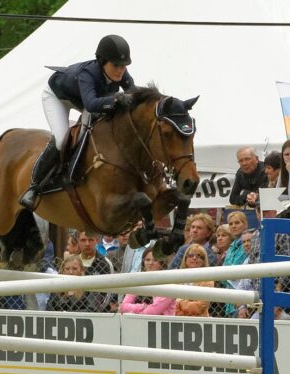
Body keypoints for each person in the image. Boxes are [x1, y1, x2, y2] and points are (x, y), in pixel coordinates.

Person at [20, 34, 135, 209]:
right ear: (103, 62)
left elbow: (133, 93)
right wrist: (116, 99)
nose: (121, 70)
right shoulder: (88, 73)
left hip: (87, 100)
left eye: (124, 66)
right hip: (58, 97)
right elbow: (91, 104)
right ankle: (33, 187)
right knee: (60, 140)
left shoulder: (122, 74)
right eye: (116, 65)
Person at [119, 248, 175, 315]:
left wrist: (136, 314)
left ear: (161, 263)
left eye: (155, 260)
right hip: (136, 320)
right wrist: (142, 306)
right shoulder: (138, 281)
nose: (150, 263)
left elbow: (154, 311)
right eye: (147, 260)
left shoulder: (167, 283)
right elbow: (123, 307)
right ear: (143, 262)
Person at [175, 244, 214, 317]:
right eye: (191, 255)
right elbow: (173, 307)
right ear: (185, 259)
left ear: (203, 261)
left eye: (199, 256)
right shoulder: (177, 278)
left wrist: (180, 302)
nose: (194, 258)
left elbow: (199, 307)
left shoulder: (208, 280)